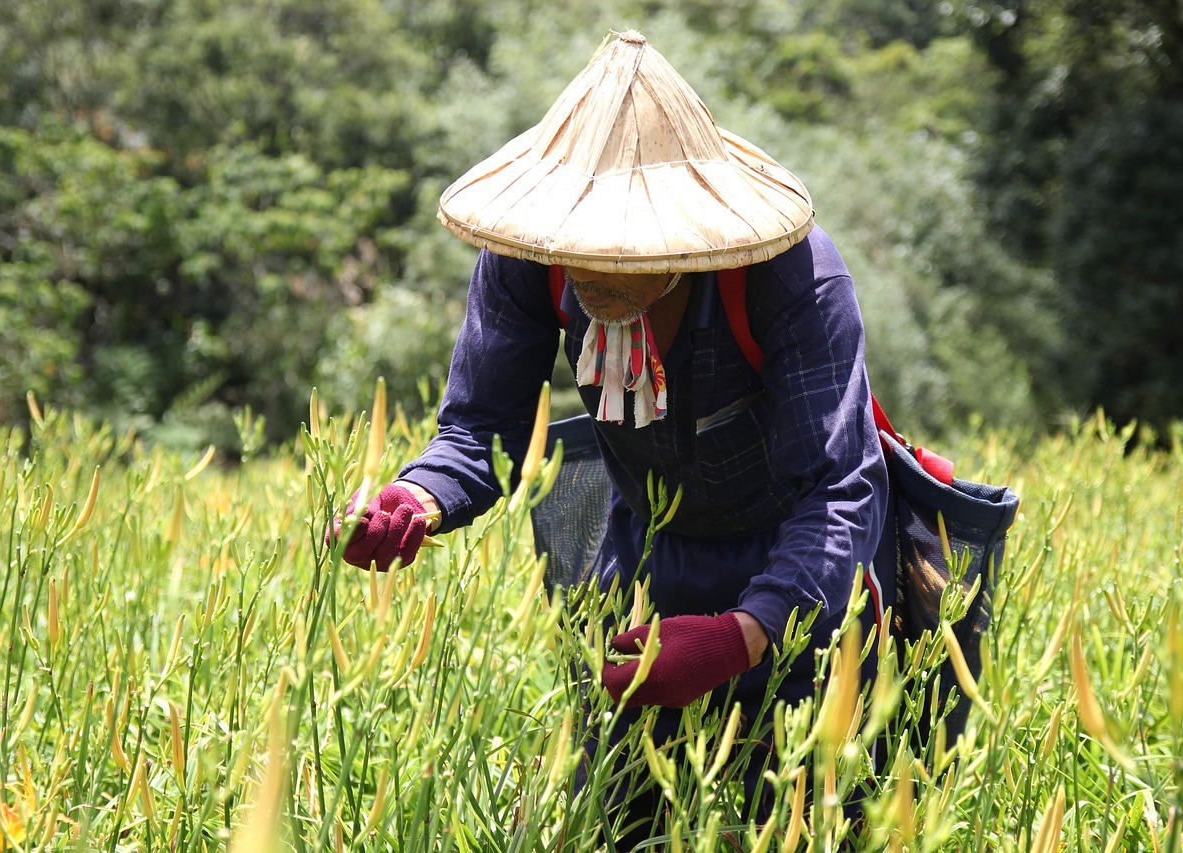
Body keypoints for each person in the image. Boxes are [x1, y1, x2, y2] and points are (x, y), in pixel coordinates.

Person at [333, 30, 889, 845]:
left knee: (804, 817)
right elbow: (480, 430)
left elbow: (840, 490)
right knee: (625, 818)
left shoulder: (789, 277)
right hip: (642, 567)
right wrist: (415, 498)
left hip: (803, 574)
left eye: (628, 249)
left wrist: (743, 632)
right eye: (585, 245)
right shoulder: (532, 256)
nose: (598, 270)